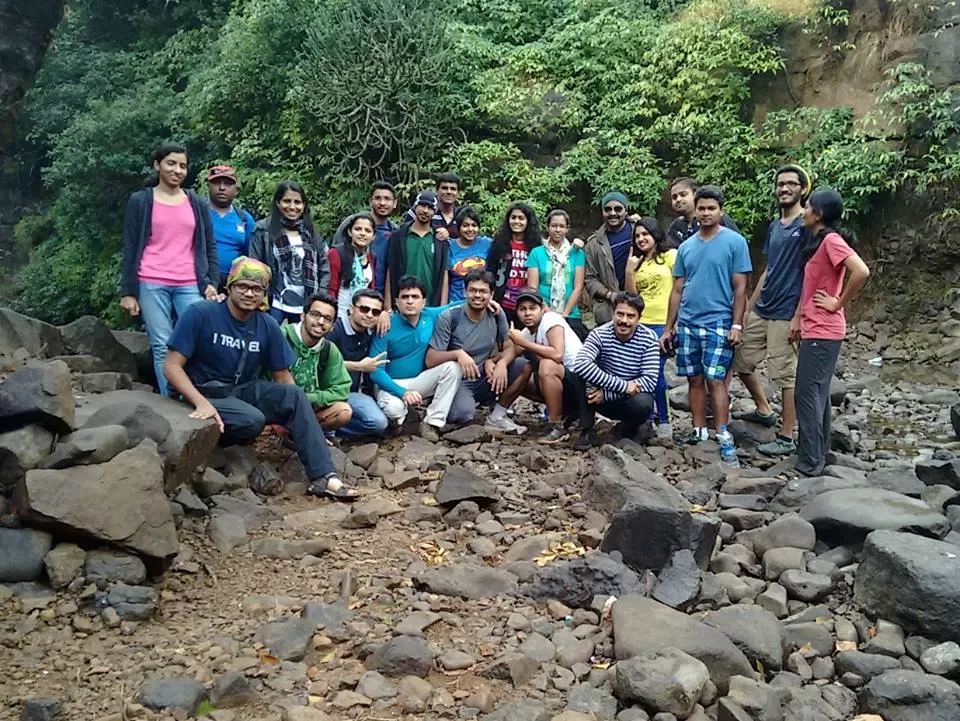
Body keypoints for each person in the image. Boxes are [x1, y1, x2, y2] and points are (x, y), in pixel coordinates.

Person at [163, 257, 357, 500]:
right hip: (202, 390)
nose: (249, 293)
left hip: (241, 389)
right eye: (242, 286)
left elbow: (284, 380)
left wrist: (304, 428)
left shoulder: (266, 325)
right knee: (251, 420)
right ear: (229, 286)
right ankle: (222, 450)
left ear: (264, 293)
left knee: (294, 395)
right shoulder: (201, 313)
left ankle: (325, 477)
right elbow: (171, 366)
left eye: (257, 289)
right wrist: (201, 402)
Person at [661, 186, 752, 468]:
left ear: (720, 211)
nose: (706, 213)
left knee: (717, 379)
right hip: (688, 322)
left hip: (719, 321)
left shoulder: (735, 242)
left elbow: (741, 287)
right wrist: (668, 327)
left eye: (711, 208)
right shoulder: (686, 247)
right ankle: (699, 430)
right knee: (694, 379)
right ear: (696, 210)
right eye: (702, 208)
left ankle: (723, 433)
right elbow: (677, 290)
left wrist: (737, 324)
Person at [120, 142, 219, 397]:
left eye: (183, 165)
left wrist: (212, 282)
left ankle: (199, 397)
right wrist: (128, 292)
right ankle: (169, 402)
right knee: (162, 345)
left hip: (189, 281)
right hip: (151, 280)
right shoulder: (141, 201)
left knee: (198, 341)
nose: (177, 170)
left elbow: (209, 245)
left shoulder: (195, 202)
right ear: (157, 165)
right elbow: (131, 247)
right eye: (171, 163)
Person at [732, 165, 812, 457]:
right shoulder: (776, 226)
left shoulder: (806, 225)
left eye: (791, 184)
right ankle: (765, 410)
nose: (784, 189)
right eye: (780, 184)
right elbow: (769, 271)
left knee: (785, 376)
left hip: (786, 312)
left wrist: (798, 316)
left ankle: (786, 435)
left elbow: (811, 273)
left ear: (803, 189)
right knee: (740, 360)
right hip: (763, 309)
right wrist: (745, 313)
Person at [794, 187, 869, 477]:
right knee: (818, 393)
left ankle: (811, 460)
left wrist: (838, 302)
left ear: (819, 214)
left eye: (808, 207)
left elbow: (861, 271)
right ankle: (818, 453)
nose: (803, 212)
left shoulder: (832, 241)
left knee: (806, 392)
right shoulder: (820, 242)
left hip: (824, 329)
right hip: (818, 327)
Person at [428, 269, 527, 433]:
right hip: (458, 381)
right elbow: (430, 359)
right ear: (465, 291)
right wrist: (457, 354)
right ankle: (457, 405)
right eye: (473, 290)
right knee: (463, 414)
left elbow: (510, 346)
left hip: (486, 376)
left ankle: (497, 415)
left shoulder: (496, 313)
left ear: (492, 294)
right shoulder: (450, 317)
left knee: (524, 365)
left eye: (483, 291)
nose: (478, 295)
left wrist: (501, 363)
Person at [370, 275, 463, 442]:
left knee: (453, 368)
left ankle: (432, 423)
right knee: (394, 410)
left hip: (419, 381)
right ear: (397, 302)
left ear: (423, 302)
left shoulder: (430, 316)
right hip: (391, 384)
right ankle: (401, 421)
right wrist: (402, 393)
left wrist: (489, 302)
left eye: (415, 297)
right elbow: (375, 372)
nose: (410, 301)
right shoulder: (385, 325)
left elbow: (455, 305)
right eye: (405, 297)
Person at [573, 292, 661, 450]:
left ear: (638, 318)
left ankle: (631, 428)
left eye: (630, 316)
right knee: (579, 376)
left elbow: (650, 380)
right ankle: (587, 430)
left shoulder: (649, 338)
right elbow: (581, 364)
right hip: (598, 397)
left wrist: (608, 394)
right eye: (620, 314)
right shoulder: (600, 334)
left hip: (626, 399)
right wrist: (622, 386)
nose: (624, 321)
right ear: (613, 313)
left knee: (643, 402)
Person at [508, 289, 588, 444]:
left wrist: (523, 343)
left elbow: (557, 354)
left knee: (547, 365)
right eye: (522, 309)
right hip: (565, 385)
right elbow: (510, 353)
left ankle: (557, 426)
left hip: (582, 384)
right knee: (518, 373)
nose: (528, 313)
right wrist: (495, 363)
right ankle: (567, 412)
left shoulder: (551, 319)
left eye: (532, 308)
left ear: (542, 308)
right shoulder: (527, 332)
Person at [625, 217, 678, 439]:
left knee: (655, 371)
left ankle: (664, 420)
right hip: (641, 323)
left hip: (663, 323)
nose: (641, 238)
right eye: (637, 236)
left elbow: (680, 288)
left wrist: (673, 324)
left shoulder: (670, 256)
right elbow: (632, 298)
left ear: (655, 234)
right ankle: (646, 419)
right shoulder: (638, 262)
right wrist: (629, 271)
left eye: (645, 234)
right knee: (640, 372)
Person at [249, 180, 330, 324]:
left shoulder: (311, 232)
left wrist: (320, 297)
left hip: (305, 303)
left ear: (304, 205)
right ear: (278, 203)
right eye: (287, 201)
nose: (292, 207)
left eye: (297, 202)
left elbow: (323, 266)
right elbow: (254, 267)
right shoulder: (263, 230)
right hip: (274, 303)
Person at [281, 293, 354, 433]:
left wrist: (309, 398)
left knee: (343, 412)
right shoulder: (281, 337)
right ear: (303, 316)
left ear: (333, 326)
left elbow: (342, 390)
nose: (320, 321)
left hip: (308, 408)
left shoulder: (329, 349)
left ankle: (298, 435)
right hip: (276, 403)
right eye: (315, 314)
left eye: (327, 319)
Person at [326, 288, 390, 438]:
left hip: (351, 393)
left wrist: (386, 313)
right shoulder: (335, 329)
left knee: (379, 423)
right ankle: (324, 427)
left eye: (375, 312)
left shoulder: (372, 330)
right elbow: (319, 363)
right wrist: (359, 366)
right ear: (351, 309)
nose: (369, 315)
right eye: (364, 309)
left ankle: (337, 427)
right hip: (326, 392)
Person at [526, 209, 587, 340]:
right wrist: (550, 314)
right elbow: (533, 289)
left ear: (567, 229)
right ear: (547, 228)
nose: (557, 230)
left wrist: (564, 315)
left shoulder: (577, 253)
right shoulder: (536, 253)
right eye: (553, 226)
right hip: (543, 312)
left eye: (561, 226)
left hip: (570, 314)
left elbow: (578, 287)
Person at [385, 191, 450, 308]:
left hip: (431, 305)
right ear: (415, 207)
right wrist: (388, 307)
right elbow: (390, 270)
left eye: (430, 208)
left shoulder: (439, 239)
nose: (425, 211)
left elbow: (444, 273)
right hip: (403, 303)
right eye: (422, 205)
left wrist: (442, 308)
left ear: (434, 212)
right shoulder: (398, 237)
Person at [486, 202, 542, 327]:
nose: (516, 221)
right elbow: (490, 271)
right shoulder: (499, 243)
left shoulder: (536, 246)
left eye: (521, 218)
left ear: (528, 221)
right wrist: (489, 296)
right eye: (513, 217)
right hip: (502, 301)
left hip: (526, 304)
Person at [584, 191, 634, 326]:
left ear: (626, 210)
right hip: (608, 311)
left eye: (618, 209)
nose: (612, 213)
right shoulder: (593, 244)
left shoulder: (639, 234)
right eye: (608, 209)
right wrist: (610, 295)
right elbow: (589, 278)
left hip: (640, 306)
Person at [206, 165, 256, 287]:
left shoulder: (245, 219)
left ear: (236, 190)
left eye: (228, 184)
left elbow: (253, 254)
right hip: (201, 280)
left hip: (234, 283)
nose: (222, 188)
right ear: (208, 187)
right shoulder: (197, 214)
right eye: (217, 183)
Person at [328, 213, 377, 324]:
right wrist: (331, 316)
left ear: (373, 236)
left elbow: (370, 288)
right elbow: (330, 289)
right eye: (358, 229)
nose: (362, 234)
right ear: (350, 232)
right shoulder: (336, 253)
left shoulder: (371, 257)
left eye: (368, 231)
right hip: (339, 316)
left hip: (361, 319)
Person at [666, 177, 740, 248]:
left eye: (683, 194)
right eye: (674, 197)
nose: (678, 199)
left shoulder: (717, 219)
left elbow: (737, 245)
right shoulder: (676, 227)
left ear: (695, 194)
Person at [447, 207, 493, 303]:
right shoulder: (449, 246)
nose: (470, 229)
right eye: (465, 225)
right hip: (455, 301)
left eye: (474, 225)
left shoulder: (486, 243)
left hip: (481, 301)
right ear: (459, 227)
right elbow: (444, 278)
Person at [404, 172, 462, 241]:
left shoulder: (461, 215)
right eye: (444, 188)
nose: (449, 192)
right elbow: (404, 234)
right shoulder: (419, 212)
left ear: (458, 193)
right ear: (437, 190)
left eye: (453, 189)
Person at [370, 181, 399, 295]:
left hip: (384, 294)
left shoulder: (396, 232)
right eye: (377, 198)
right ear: (370, 202)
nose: (382, 203)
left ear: (394, 203)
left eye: (387, 199)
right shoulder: (355, 225)